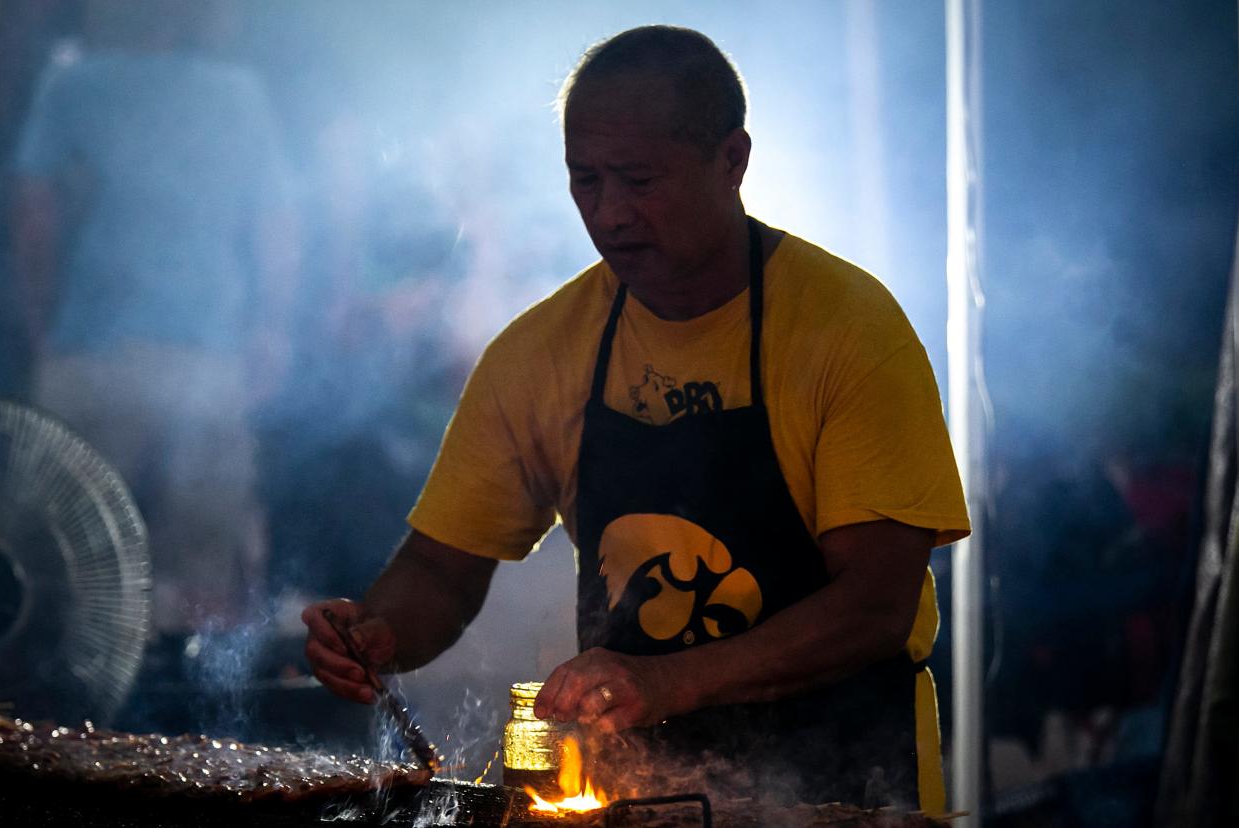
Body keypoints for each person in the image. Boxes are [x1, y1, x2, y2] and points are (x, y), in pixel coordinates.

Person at [303, 25, 969, 811]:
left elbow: (875, 606)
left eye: (639, 180)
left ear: (733, 161)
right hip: (640, 795)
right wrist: (382, 632)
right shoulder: (542, 352)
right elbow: (442, 569)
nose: (610, 212)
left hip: (848, 791)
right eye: (585, 180)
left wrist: (665, 681)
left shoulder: (848, 330)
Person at [10, 0, 298, 634]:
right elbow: (275, 221)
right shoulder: (236, 94)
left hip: (90, 355)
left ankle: (60, 718)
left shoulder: (73, 84)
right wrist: (271, 330)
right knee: (201, 571)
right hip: (205, 363)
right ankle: (193, 719)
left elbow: (34, 213)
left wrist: (44, 324)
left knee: (67, 568)